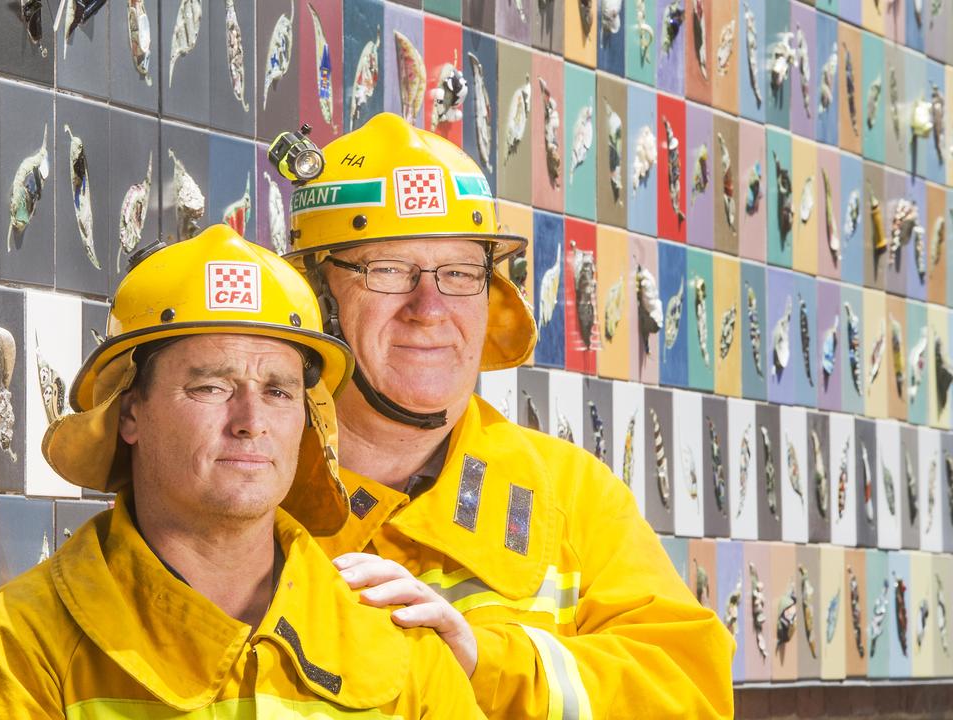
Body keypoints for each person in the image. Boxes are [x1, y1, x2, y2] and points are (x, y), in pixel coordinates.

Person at [277, 113, 736, 719]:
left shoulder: (571, 496)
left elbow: (690, 695)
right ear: (315, 296)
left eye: (461, 273)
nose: (430, 307)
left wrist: (481, 664)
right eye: (387, 270)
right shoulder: (248, 488)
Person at [0, 224, 484, 718]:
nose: (251, 422)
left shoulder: (398, 646)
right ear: (130, 412)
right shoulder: (21, 647)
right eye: (211, 386)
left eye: (278, 391)